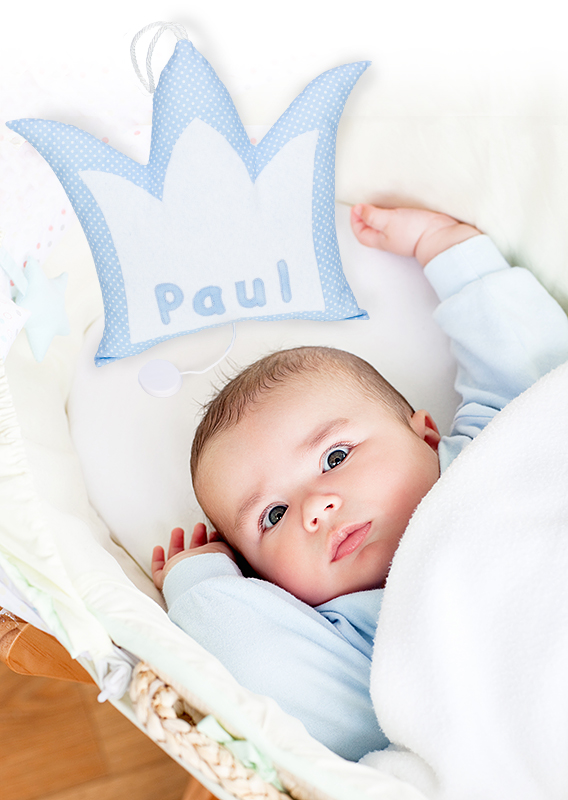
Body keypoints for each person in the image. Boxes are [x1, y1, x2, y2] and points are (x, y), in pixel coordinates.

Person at [151, 204, 568, 761]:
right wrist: (201, 589)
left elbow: (532, 363)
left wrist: (449, 250)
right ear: (264, 579)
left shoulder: (485, 450)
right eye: (271, 516)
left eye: (335, 456)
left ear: (423, 435)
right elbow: (266, 666)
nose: (315, 508)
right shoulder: (353, 643)